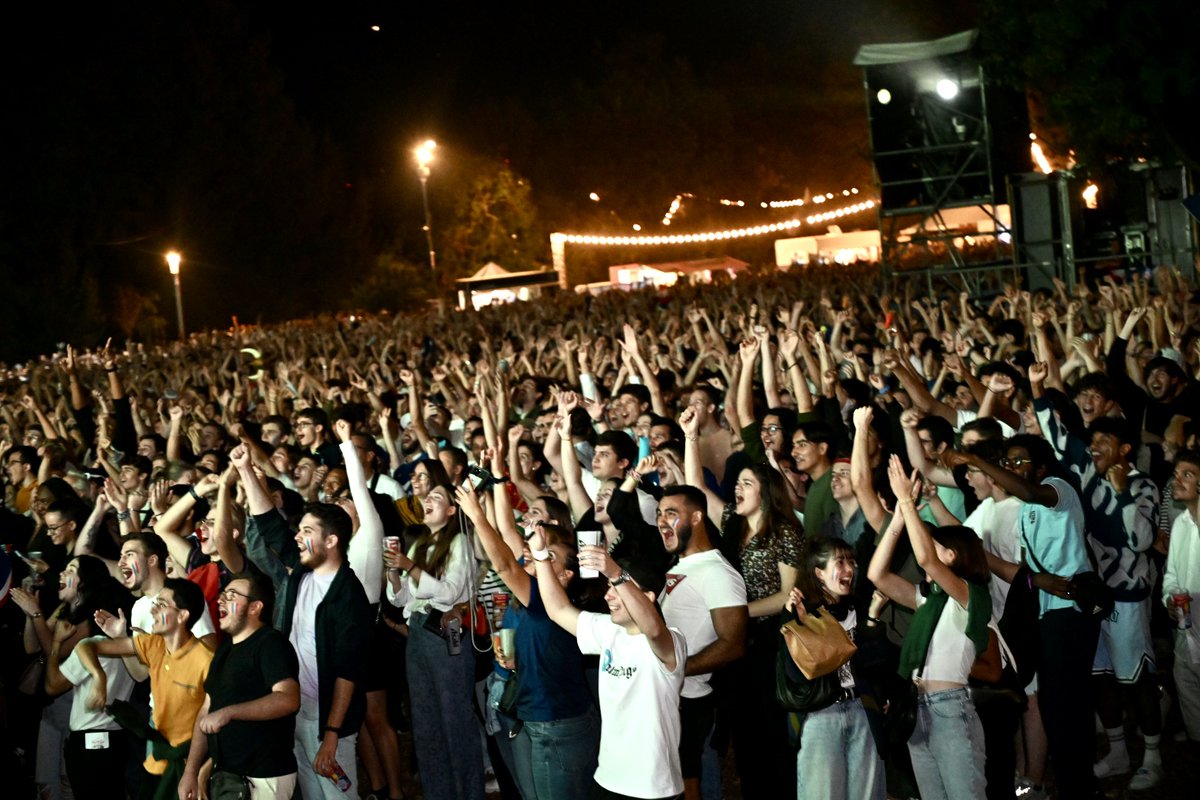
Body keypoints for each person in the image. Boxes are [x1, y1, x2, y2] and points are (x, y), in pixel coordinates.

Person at [456, 480, 598, 800]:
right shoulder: (537, 597)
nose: (535, 558)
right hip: (532, 716)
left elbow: (504, 564)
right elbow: (510, 543)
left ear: (565, 576)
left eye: (547, 557)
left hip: (555, 725)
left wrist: (477, 516)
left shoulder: (552, 602)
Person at [529, 523, 687, 800]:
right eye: (609, 587)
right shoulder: (608, 630)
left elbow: (652, 629)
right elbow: (558, 609)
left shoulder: (671, 641)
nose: (608, 595)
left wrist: (615, 572)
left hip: (652, 786)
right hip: (608, 779)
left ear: (648, 597)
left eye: (617, 588)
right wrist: (541, 557)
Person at [868, 455, 992, 800]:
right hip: (916, 705)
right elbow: (877, 575)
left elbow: (926, 560)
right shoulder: (930, 599)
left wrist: (908, 502)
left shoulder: (970, 596)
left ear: (953, 556)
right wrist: (896, 520)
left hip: (950, 707)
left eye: (939, 549)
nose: (928, 555)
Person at [384, 482, 484, 800]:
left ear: (453, 510)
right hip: (417, 631)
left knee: (455, 720)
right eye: (427, 497)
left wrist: (409, 567)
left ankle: (468, 793)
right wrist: (394, 573)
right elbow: (400, 600)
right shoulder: (420, 542)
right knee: (425, 722)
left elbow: (448, 593)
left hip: (445, 635)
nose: (428, 501)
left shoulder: (460, 543)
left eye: (437, 498)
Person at [80, 578, 213, 800]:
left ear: (182, 616)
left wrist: (197, 771)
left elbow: (217, 725)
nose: (153, 610)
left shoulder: (206, 661)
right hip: (156, 761)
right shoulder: (153, 645)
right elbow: (86, 646)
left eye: (161, 605)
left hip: (190, 765)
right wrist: (98, 677)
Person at [653, 485, 747, 800]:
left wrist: (678, 669)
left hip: (692, 705)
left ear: (696, 517)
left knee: (692, 787)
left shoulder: (718, 573)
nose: (662, 521)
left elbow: (733, 643)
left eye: (671, 513)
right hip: (670, 700)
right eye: (658, 514)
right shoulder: (680, 566)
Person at [278, 502, 373, 800]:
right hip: (297, 712)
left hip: (327, 723)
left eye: (307, 530)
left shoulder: (348, 594)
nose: (297, 536)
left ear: (331, 541)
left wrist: (332, 733)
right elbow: (269, 527)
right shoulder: (302, 577)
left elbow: (348, 671)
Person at [179, 573, 301, 800]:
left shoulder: (270, 643)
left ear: (255, 607)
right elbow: (206, 709)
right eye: (223, 594)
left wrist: (229, 713)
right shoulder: (225, 649)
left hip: (264, 777)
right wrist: (191, 771)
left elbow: (288, 699)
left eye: (232, 595)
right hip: (229, 776)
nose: (221, 600)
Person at [782, 537, 885, 800]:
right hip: (821, 716)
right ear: (819, 572)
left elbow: (874, 665)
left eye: (851, 562)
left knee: (868, 794)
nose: (849, 569)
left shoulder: (857, 609)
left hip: (862, 711)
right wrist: (796, 620)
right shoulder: (803, 614)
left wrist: (872, 617)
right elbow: (798, 674)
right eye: (839, 562)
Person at [42, 567, 136, 800]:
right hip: (118, 739)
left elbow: (53, 686)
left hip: (89, 743)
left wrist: (55, 643)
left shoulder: (93, 646)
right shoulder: (130, 646)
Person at [1163, 449, 1200, 746]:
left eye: (1188, 474)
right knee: (1187, 687)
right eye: (1177, 474)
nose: (1179, 480)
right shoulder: (1180, 523)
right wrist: (1168, 599)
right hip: (1186, 626)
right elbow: (1172, 575)